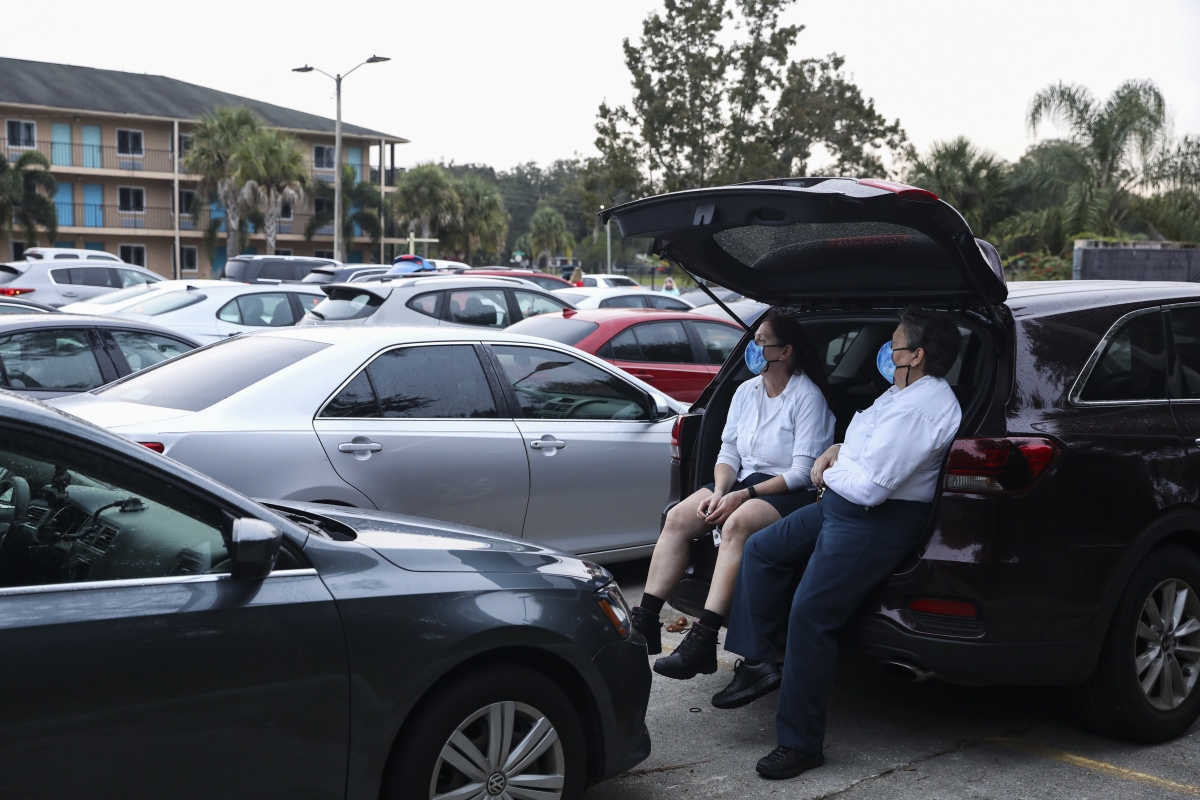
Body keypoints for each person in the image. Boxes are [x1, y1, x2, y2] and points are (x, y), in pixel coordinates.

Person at [717, 306, 963, 780]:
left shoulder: (924, 408)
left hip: (874, 519)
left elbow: (872, 486)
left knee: (811, 615)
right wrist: (837, 456)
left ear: (917, 355)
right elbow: (855, 442)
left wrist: (831, 467)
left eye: (894, 345)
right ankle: (759, 662)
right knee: (763, 549)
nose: (886, 353)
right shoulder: (899, 394)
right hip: (840, 506)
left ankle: (800, 743)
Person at [631, 312, 836, 679]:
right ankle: (645, 621)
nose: (753, 348)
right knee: (679, 517)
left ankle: (703, 641)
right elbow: (728, 453)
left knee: (736, 524)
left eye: (761, 341)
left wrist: (741, 497)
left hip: (787, 489)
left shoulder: (808, 398)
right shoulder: (746, 391)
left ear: (785, 351)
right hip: (741, 482)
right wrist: (722, 490)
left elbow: (803, 474)